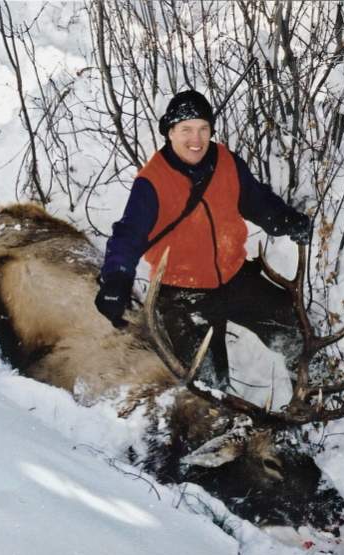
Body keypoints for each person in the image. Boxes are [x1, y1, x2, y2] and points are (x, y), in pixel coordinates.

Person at [94, 90, 311, 389]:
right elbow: (129, 234)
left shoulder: (226, 162)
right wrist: (116, 279)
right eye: (186, 130)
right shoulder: (152, 182)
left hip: (235, 277)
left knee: (292, 331)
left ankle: (312, 392)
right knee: (209, 386)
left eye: (203, 129)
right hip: (184, 295)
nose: (196, 139)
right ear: (170, 133)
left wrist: (288, 220)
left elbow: (256, 201)